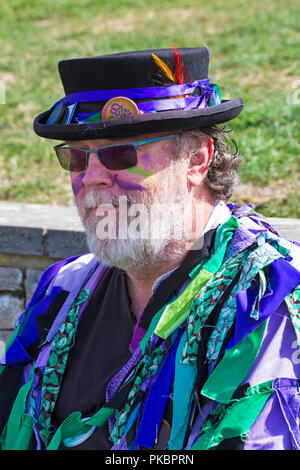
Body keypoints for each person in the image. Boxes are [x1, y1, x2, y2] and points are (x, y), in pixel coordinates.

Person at [0, 47, 299, 451]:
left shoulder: (266, 299)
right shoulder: (63, 291)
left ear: (196, 158)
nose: (92, 178)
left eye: (120, 152)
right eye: (76, 157)